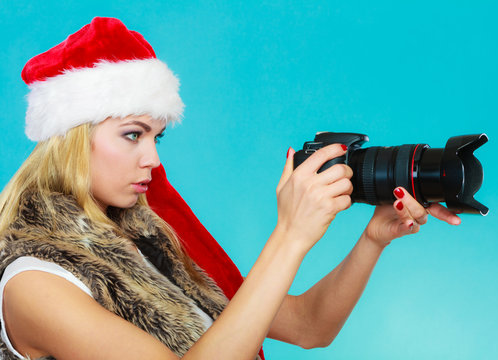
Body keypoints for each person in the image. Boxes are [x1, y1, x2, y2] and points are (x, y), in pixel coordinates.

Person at [0, 17, 461, 360]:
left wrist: (373, 239)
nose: (153, 159)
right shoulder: (35, 282)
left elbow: (308, 327)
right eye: (132, 134)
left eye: (156, 137)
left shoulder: (149, 245)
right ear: (71, 138)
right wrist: (290, 234)